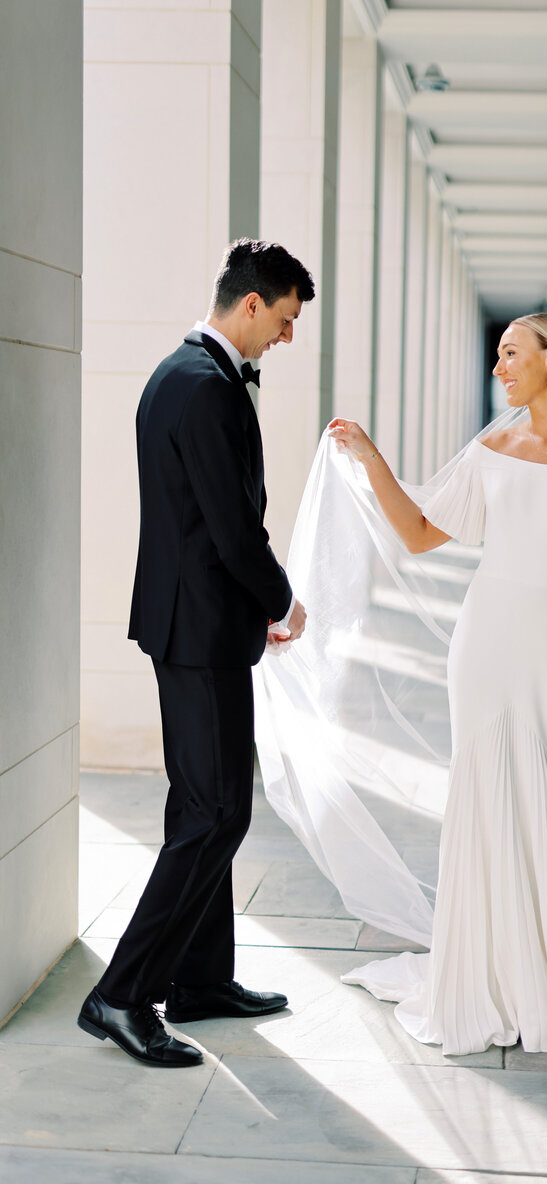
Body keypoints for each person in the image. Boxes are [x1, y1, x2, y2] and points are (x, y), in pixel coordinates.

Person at [326, 313, 547, 1057]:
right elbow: (417, 532)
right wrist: (370, 456)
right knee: (484, 789)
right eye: (498, 356)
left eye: (511, 353)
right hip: (488, 635)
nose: (498, 367)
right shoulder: (492, 447)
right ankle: (484, 974)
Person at [78, 239, 314, 1067]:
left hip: (194, 623)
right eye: (284, 321)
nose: (286, 338)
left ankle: (204, 980)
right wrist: (282, 600)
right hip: (201, 627)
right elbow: (231, 529)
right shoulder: (203, 387)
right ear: (251, 304)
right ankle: (122, 993)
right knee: (218, 811)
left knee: (203, 804)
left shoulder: (182, 374)